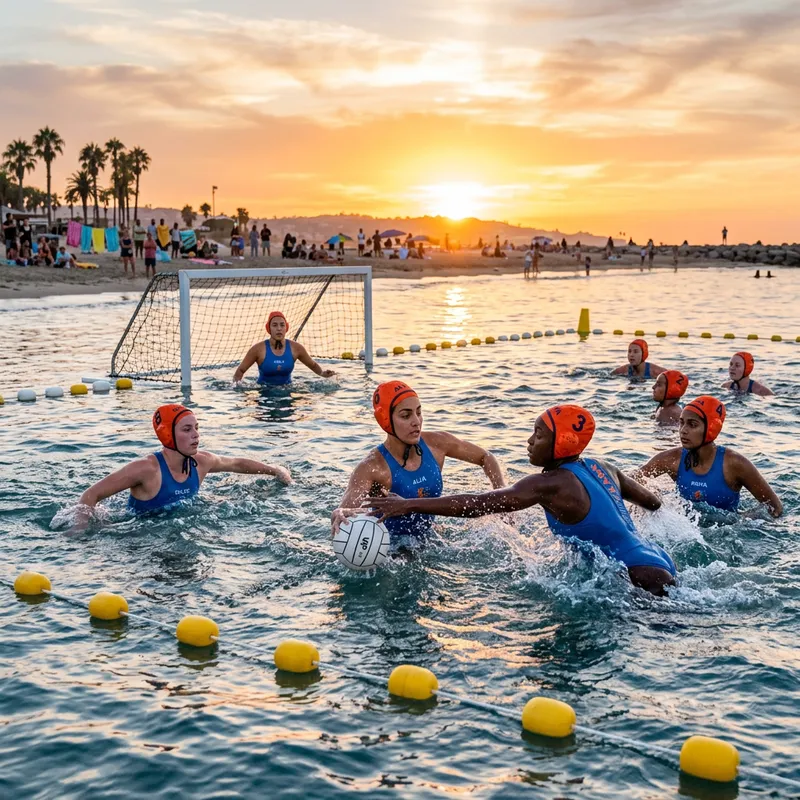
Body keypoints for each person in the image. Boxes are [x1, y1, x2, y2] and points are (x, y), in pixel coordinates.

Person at [369, 404, 677, 596]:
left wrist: (408, 504)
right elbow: (653, 503)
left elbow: (478, 504)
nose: (529, 441)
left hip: (639, 579)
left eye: (539, 435)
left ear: (562, 443)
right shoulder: (603, 467)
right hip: (658, 559)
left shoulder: (549, 484)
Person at [331, 380, 505, 544]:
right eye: (406, 416)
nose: (416, 421)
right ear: (386, 421)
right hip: (391, 549)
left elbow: (486, 457)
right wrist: (340, 513)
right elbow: (345, 512)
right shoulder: (372, 467)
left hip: (430, 537)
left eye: (419, 412)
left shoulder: (437, 444)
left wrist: (502, 498)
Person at [73, 404, 291, 528]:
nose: (196, 435)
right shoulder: (147, 469)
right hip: (138, 532)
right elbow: (90, 495)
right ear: (168, 435)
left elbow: (236, 463)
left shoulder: (200, 462)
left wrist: (275, 470)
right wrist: (80, 532)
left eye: (196, 428)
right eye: (187, 430)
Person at [638, 396, 782, 516]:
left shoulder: (734, 464)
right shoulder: (672, 459)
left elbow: (775, 507)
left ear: (711, 428)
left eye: (692, 425)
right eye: (681, 423)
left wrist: (742, 520)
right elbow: (634, 479)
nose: (683, 430)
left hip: (726, 537)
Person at [233, 311, 335, 386]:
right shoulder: (258, 349)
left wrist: (322, 373)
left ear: (286, 327)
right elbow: (240, 371)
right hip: (264, 393)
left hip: (287, 391)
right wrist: (238, 389)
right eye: (274, 325)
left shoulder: (296, 348)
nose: (279, 328)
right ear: (268, 328)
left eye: (282, 325)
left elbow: (312, 365)